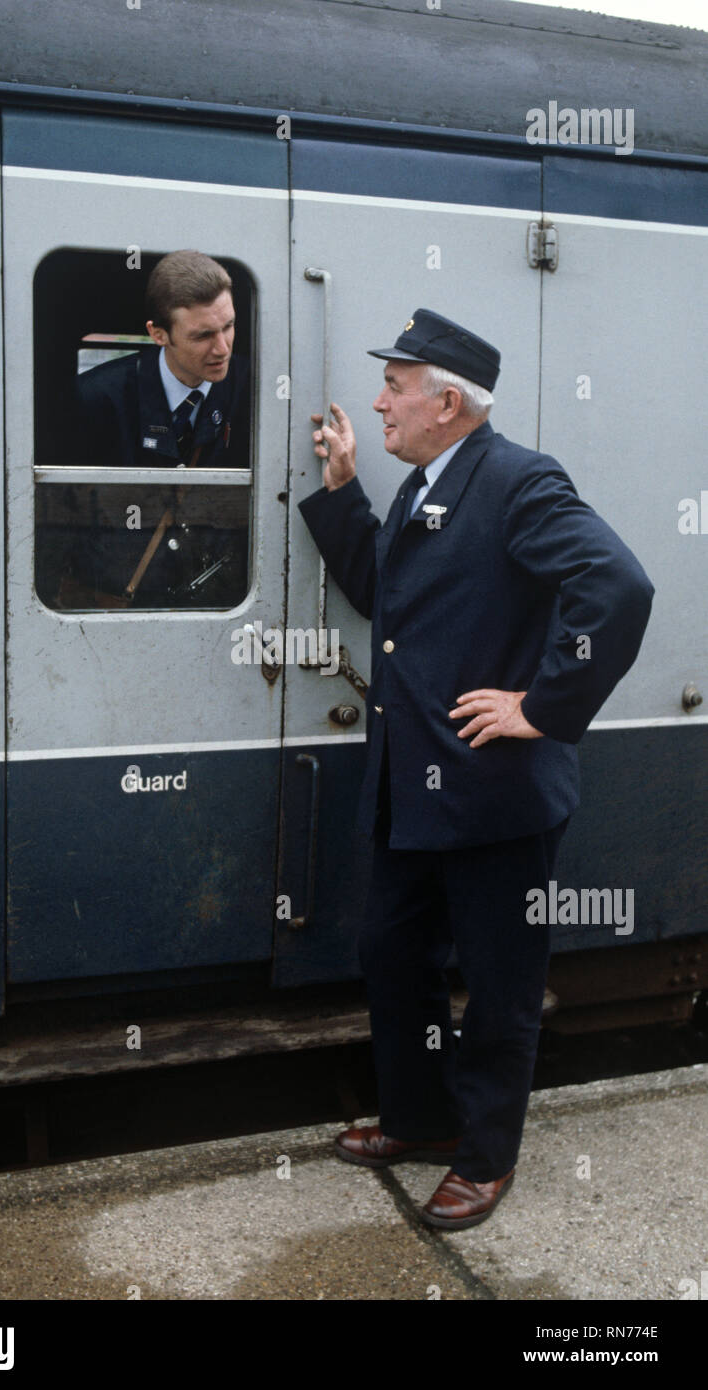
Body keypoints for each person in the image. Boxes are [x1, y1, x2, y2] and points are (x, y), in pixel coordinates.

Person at [299, 308, 654, 1230]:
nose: (379, 401)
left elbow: (618, 587)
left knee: (498, 985)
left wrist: (541, 708)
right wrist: (341, 491)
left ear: (446, 402)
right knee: (393, 955)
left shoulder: (519, 482)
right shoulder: (426, 485)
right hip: (412, 787)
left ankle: (484, 1158)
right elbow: (392, 596)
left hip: (494, 794)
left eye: (396, 387)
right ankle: (420, 1119)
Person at [61, 250, 250, 607]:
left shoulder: (257, 389)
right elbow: (63, 518)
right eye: (203, 335)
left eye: (229, 326)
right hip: (118, 606)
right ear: (158, 334)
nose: (222, 348)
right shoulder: (96, 398)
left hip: (225, 607)